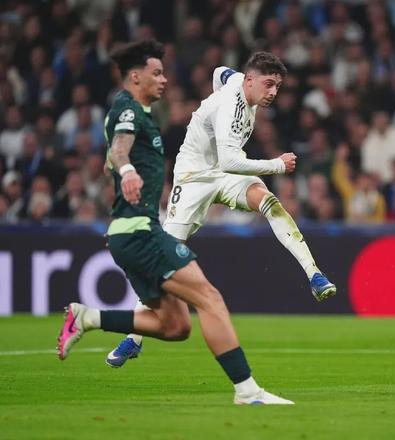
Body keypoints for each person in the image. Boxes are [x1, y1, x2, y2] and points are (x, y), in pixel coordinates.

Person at [56, 40, 293, 405]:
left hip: (131, 233)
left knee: (176, 326)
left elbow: (112, 158)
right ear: (135, 76)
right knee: (210, 299)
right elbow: (119, 151)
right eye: (156, 73)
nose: (164, 80)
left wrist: (119, 173)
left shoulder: (140, 113)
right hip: (142, 234)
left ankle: (86, 317)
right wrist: (126, 169)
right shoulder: (129, 111)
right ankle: (248, 391)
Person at [108, 52, 337, 368]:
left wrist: (217, 95)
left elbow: (219, 71)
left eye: (277, 86)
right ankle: (134, 338)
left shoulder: (237, 82)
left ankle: (315, 275)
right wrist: (277, 165)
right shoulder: (231, 105)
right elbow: (230, 160)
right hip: (193, 178)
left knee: (269, 203)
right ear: (250, 80)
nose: (273, 92)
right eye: (268, 84)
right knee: (164, 257)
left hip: (225, 176)